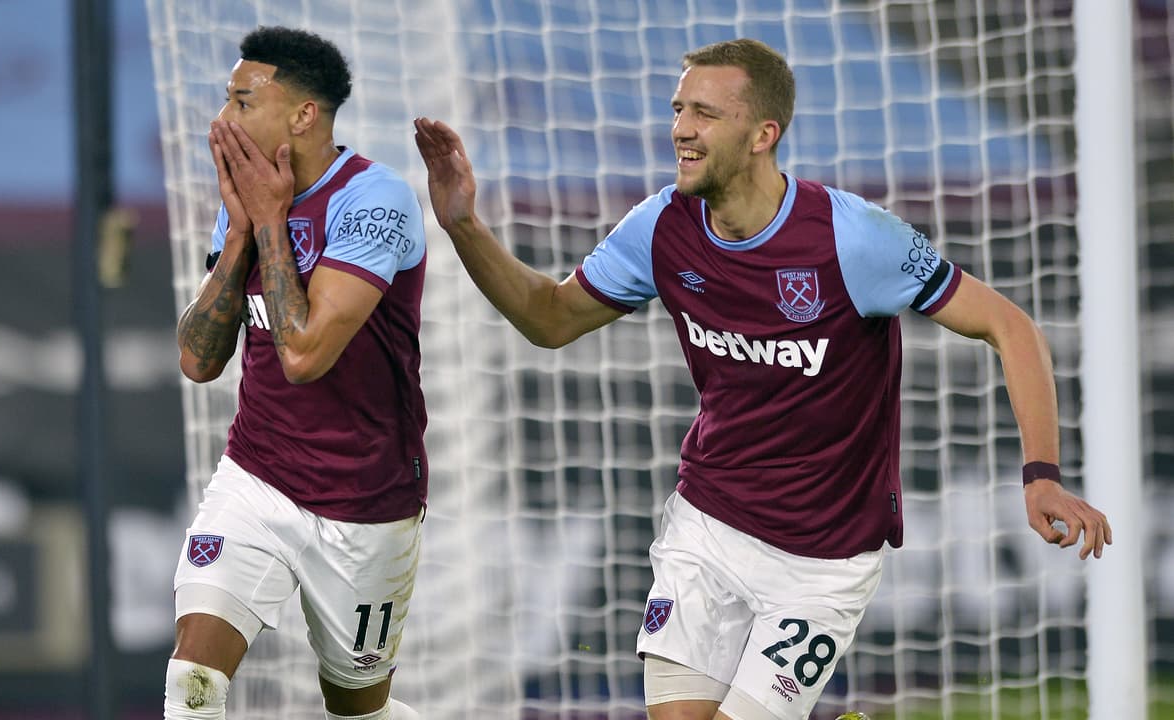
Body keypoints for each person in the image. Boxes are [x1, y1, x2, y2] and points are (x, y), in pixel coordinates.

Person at [414, 38, 1112, 720]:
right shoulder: (660, 227)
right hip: (710, 524)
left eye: (705, 115)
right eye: (678, 109)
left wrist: (1041, 473)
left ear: (762, 134)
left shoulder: (853, 238)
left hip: (825, 561)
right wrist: (465, 226)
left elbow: (1011, 327)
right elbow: (550, 320)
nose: (681, 130)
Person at [171, 26, 427, 720]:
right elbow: (197, 361)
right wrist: (239, 233)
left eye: (243, 101)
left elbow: (306, 355)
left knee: (356, 708)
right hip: (258, 477)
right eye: (226, 100)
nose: (223, 121)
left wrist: (270, 221)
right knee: (192, 683)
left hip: (363, 500)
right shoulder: (245, 200)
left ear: (303, 115)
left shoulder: (377, 199)